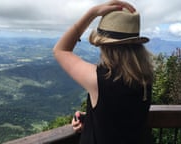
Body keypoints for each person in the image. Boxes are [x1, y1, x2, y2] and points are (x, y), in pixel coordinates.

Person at [53, 0, 154, 143]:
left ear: (106, 46)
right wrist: (92, 118)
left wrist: (92, 13)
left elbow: (60, 50)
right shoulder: (145, 77)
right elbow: (123, 118)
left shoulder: (98, 79)